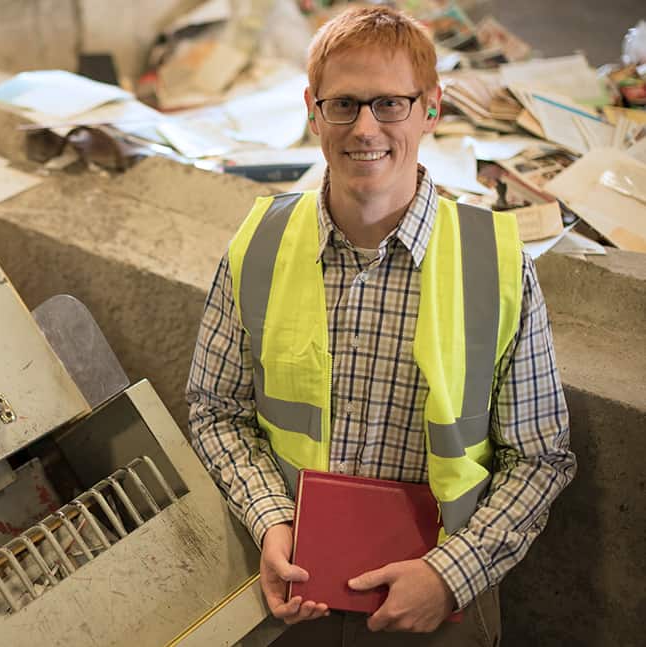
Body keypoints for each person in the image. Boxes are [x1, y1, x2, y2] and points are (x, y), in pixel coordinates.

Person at [185, 6, 576, 645]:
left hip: (439, 606)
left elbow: (539, 457)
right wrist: (270, 520)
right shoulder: (260, 245)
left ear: (432, 108)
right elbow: (214, 411)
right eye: (343, 104)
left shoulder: (495, 263)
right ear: (312, 111)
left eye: (391, 104)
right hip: (291, 591)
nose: (365, 127)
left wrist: (453, 574)